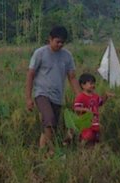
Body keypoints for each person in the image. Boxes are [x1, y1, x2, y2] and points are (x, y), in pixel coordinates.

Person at [25, 26, 81, 154]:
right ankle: (52, 152)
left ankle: (42, 153)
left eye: (62, 42)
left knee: (50, 127)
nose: (60, 45)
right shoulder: (40, 53)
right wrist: (28, 98)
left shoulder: (67, 56)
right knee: (49, 120)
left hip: (57, 97)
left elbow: (72, 77)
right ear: (50, 39)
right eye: (57, 41)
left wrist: (80, 98)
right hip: (42, 93)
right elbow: (30, 75)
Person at [73, 73, 114, 145]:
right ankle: (83, 149)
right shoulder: (80, 97)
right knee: (88, 137)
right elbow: (76, 108)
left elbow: (101, 103)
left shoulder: (95, 96)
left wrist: (106, 96)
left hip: (95, 121)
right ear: (83, 85)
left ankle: (95, 151)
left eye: (94, 83)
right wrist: (85, 110)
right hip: (86, 123)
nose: (93, 85)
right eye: (91, 83)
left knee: (97, 137)